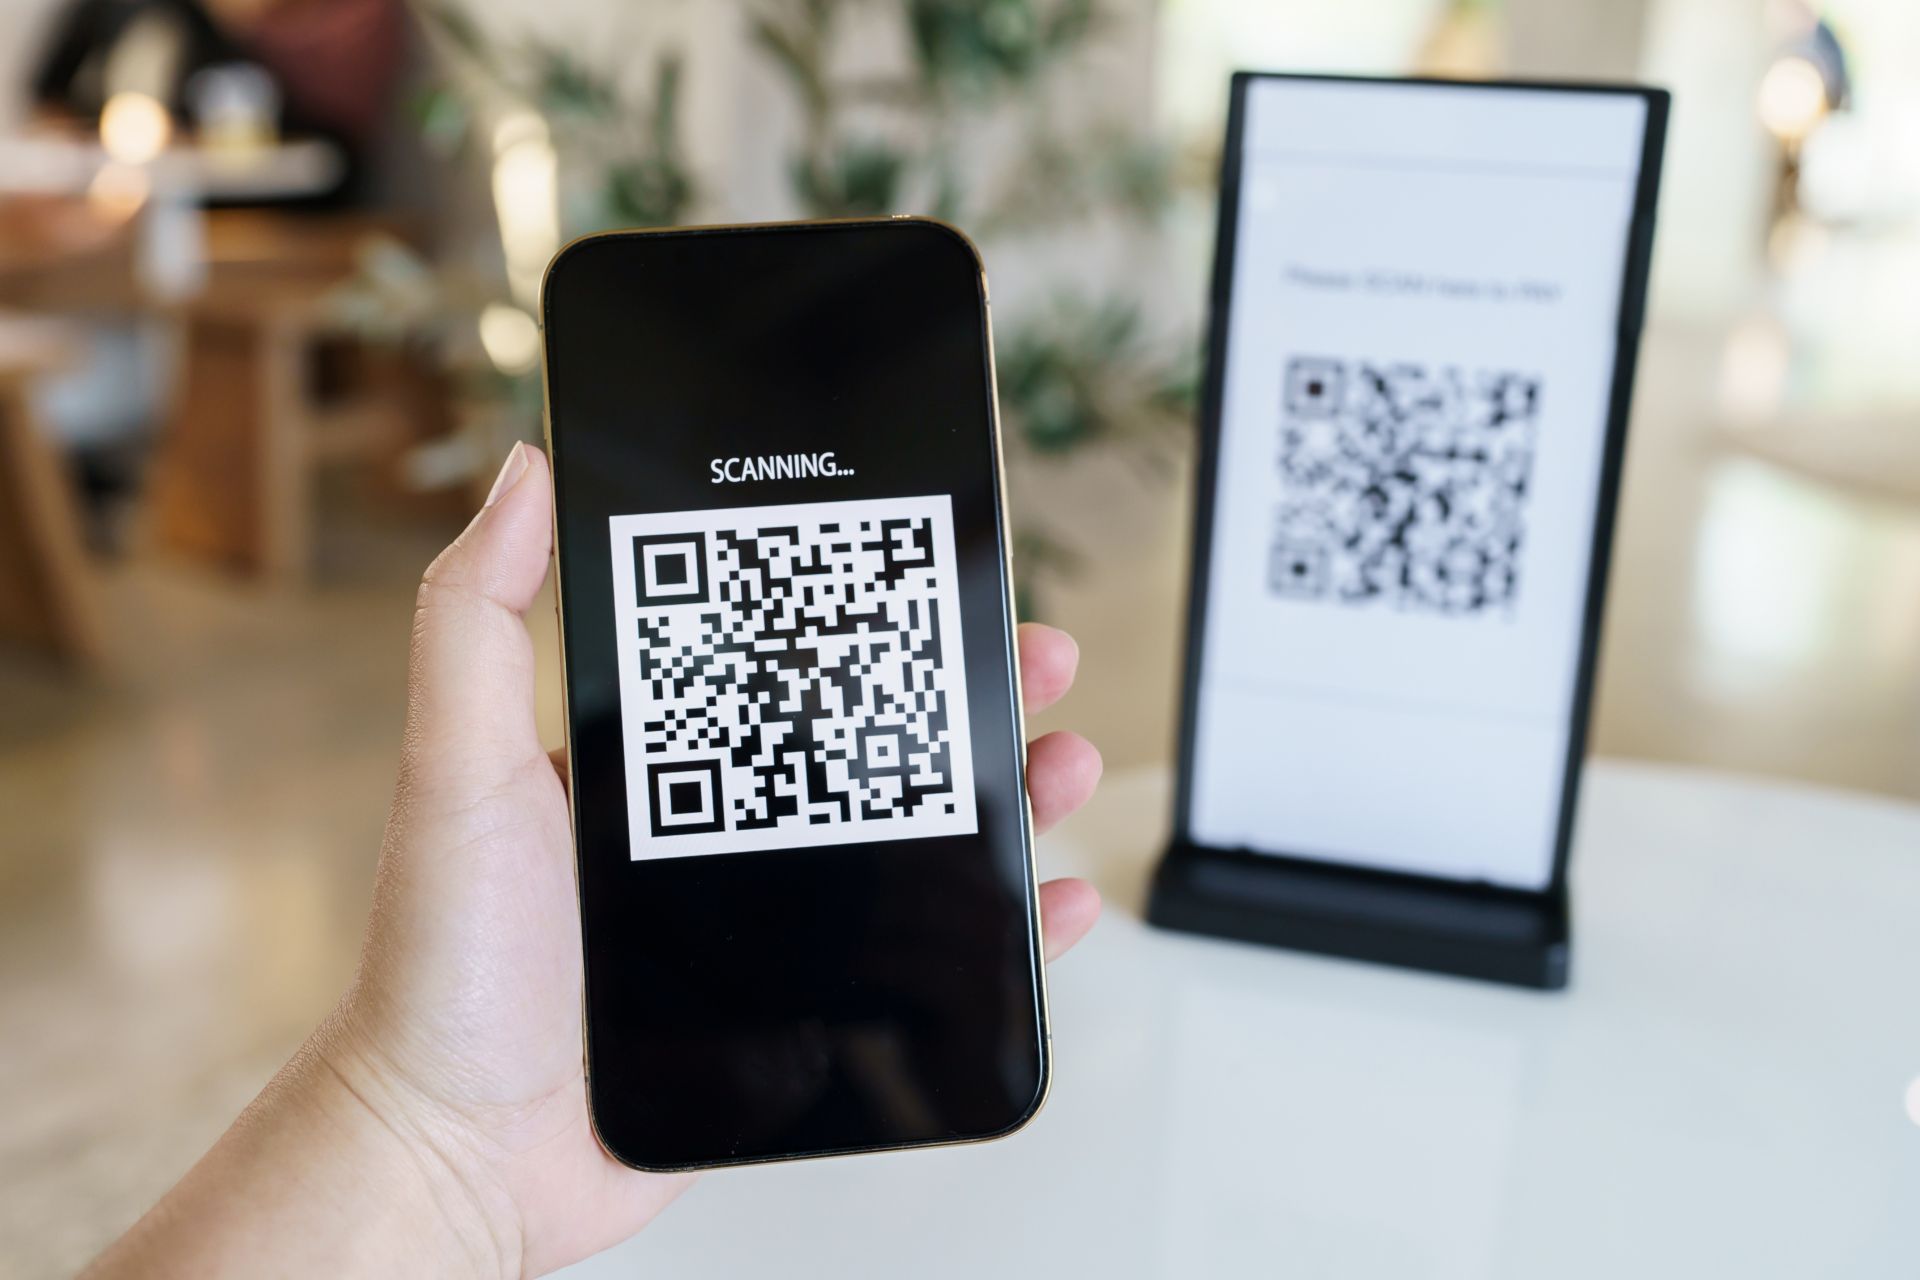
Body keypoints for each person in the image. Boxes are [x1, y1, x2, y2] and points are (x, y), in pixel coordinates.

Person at [80, 444, 1106, 1278]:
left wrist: (432, 1147)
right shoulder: (640, 751)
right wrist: (432, 1133)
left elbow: (947, 1032)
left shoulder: (901, 786)